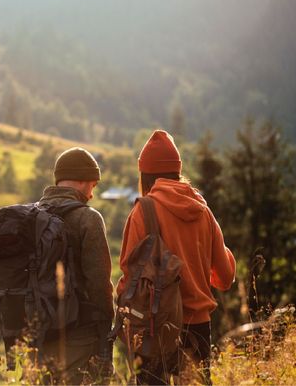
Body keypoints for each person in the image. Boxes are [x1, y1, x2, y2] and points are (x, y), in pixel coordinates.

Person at [116, 130, 236, 385]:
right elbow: (225, 278)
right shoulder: (203, 210)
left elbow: (129, 274)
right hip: (199, 328)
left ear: (144, 174)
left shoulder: (143, 211)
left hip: (155, 328)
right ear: (177, 171)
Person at [38, 147, 114, 384]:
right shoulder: (88, 218)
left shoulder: (33, 216)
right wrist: (106, 332)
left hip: (36, 335)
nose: (91, 194)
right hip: (79, 336)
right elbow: (99, 283)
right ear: (82, 181)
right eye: (92, 185)